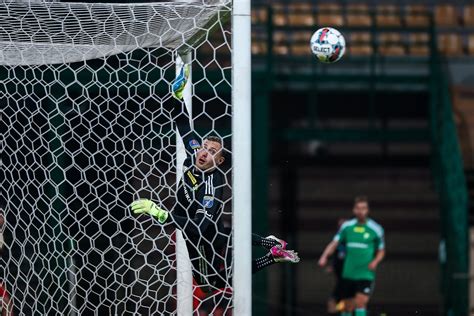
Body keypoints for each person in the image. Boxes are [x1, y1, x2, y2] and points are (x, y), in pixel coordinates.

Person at [130, 65, 298, 313]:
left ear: (218, 161)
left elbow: (199, 226)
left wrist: (160, 213)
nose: (203, 152)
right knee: (208, 285)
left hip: (204, 236)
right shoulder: (194, 153)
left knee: (219, 281)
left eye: (211, 151)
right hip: (188, 226)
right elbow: (183, 126)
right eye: (204, 147)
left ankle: (269, 250)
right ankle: (270, 248)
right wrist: (176, 97)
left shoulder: (212, 186)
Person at [318, 196, 385, 316]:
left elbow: (381, 250)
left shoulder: (376, 229)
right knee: (346, 305)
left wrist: (375, 261)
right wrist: (324, 256)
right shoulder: (347, 227)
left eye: (363, 208)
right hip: (349, 272)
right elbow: (335, 243)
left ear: (367, 210)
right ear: (354, 210)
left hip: (365, 273)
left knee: (361, 302)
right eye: (358, 208)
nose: (361, 211)